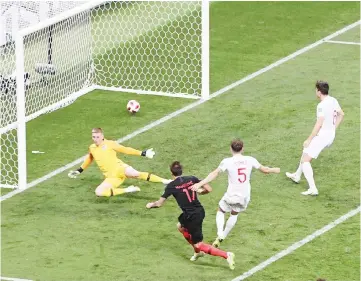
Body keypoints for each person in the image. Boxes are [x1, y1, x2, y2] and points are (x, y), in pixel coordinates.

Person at [190, 139, 280, 248]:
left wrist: (200, 184)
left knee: (221, 210)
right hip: (244, 195)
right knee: (234, 213)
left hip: (232, 194)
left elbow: (215, 173)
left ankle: (220, 233)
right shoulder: (250, 159)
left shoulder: (227, 161)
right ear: (242, 148)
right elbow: (265, 170)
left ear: (230, 149)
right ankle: (222, 236)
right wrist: (275, 170)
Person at [146, 161, 236, 270]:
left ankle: (226, 255)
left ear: (171, 173)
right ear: (181, 170)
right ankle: (197, 253)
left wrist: (151, 205)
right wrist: (200, 192)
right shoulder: (192, 178)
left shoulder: (171, 186)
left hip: (193, 216)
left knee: (199, 244)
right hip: (194, 212)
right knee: (180, 226)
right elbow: (209, 189)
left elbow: (159, 203)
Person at [68, 128, 171, 197]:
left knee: (135, 174)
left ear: (102, 136)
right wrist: (79, 170)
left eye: (97, 137)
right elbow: (90, 158)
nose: (95, 139)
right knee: (99, 192)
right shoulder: (92, 147)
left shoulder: (110, 144)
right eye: (94, 137)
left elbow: (125, 149)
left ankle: (165, 181)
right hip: (111, 177)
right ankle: (128, 189)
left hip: (120, 168)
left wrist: (143, 153)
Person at [286, 81, 345, 196]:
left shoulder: (321, 106)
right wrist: (333, 128)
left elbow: (319, 124)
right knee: (306, 150)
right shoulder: (333, 100)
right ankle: (297, 175)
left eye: (316, 90)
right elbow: (341, 114)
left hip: (323, 136)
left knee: (305, 161)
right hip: (330, 134)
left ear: (319, 91)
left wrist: (309, 138)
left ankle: (313, 188)